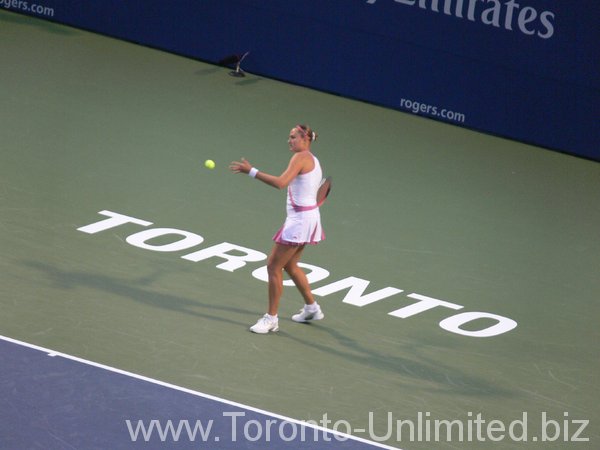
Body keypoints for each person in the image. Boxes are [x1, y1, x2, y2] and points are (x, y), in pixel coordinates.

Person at [229, 125, 325, 334]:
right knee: (290, 265)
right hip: (308, 217)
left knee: (273, 266)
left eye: (292, 137)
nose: (289, 141)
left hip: (300, 220)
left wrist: (251, 171)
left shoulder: (300, 157)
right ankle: (312, 308)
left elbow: (282, 183)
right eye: (288, 137)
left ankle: (271, 318)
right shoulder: (313, 160)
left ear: (304, 139)